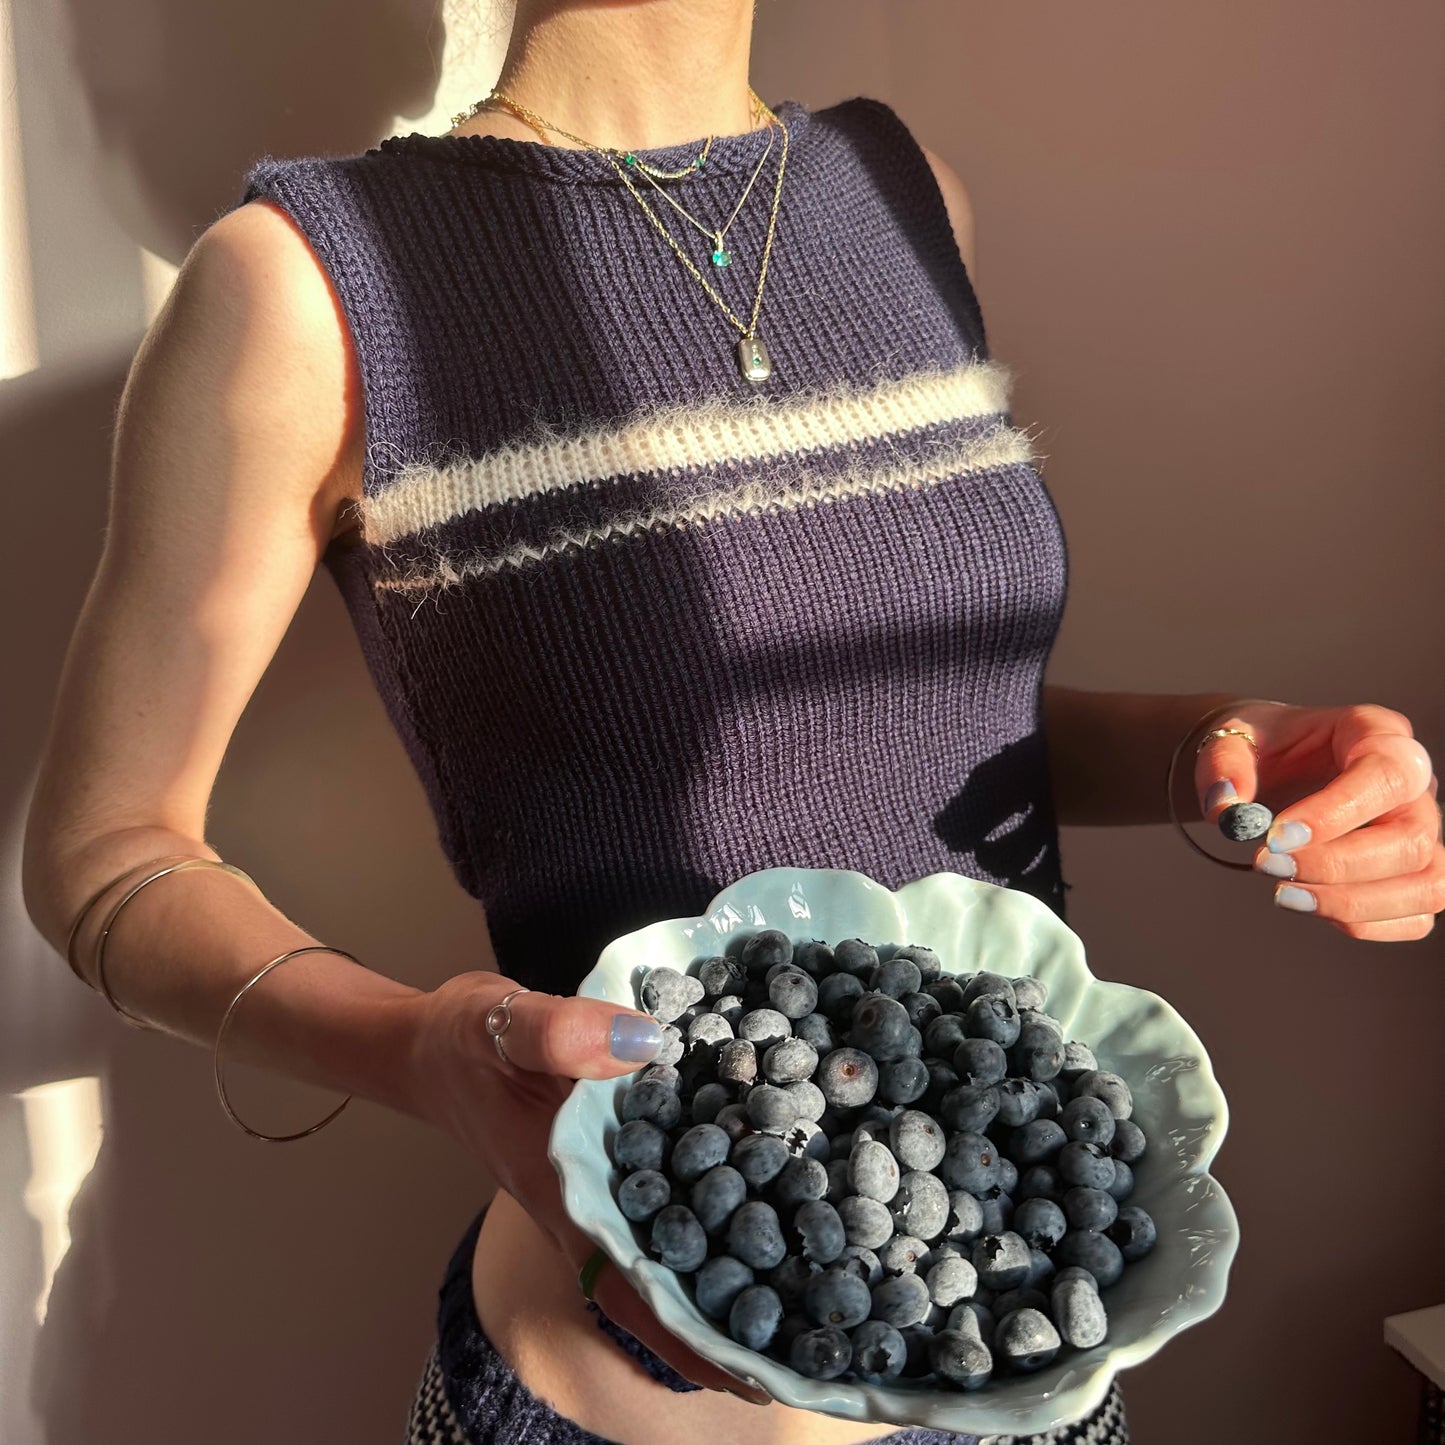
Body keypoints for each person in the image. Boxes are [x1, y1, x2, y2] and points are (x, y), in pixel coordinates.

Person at [22, 0, 1444, 1442]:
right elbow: (101, 849)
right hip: (614, 1405)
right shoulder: (303, 285)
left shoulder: (902, 193)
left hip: (1015, 1345)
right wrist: (424, 1050)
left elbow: (913, 723)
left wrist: (1220, 747)